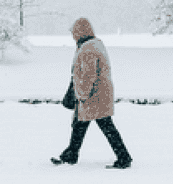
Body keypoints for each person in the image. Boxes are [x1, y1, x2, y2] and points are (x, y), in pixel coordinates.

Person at [51, 17, 133, 169]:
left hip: (93, 97)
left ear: (81, 32)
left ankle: (123, 157)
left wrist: (81, 94)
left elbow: (89, 75)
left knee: (104, 126)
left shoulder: (88, 49)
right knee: (81, 125)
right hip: (98, 95)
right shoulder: (93, 45)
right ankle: (71, 155)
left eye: (74, 33)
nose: (73, 36)